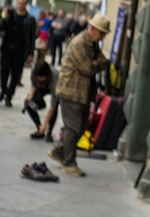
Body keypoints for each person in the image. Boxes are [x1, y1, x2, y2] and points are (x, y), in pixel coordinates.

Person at [47, 13, 110, 177]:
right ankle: (69, 163)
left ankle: (59, 150)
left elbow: (104, 61)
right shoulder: (79, 43)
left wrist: (97, 63)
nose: (103, 36)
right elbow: (88, 68)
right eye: (102, 33)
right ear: (93, 29)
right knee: (73, 127)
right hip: (71, 90)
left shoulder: (93, 44)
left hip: (82, 92)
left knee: (81, 127)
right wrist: (97, 63)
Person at [0, 0, 36, 107]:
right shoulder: (10, 15)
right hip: (7, 49)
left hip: (20, 51)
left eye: (23, 4)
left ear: (26, 5)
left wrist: (30, 53)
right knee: (3, 72)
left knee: (15, 75)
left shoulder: (30, 19)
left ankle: (9, 96)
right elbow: (0, 28)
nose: (20, 5)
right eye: (19, 3)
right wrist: (4, 18)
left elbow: (32, 37)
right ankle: (3, 89)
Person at [23, 43, 59, 141]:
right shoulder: (35, 71)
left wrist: (45, 123)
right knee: (28, 103)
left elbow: (53, 104)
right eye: (37, 77)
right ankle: (39, 129)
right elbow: (34, 85)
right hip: (41, 88)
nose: (39, 79)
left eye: (41, 78)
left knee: (55, 109)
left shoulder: (54, 76)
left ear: (46, 75)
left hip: (55, 87)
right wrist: (30, 97)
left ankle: (49, 131)